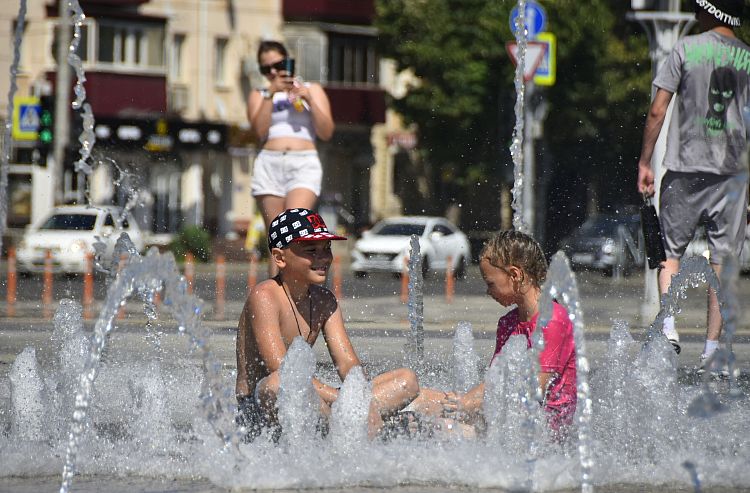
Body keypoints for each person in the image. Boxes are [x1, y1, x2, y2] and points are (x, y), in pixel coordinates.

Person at [235, 208, 419, 440]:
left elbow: (348, 364)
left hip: (309, 399)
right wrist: (349, 402)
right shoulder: (264, 296)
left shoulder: (324, 300)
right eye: (311, 251)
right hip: (259, 409)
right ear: (280, 258)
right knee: (279, 383)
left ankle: (351, 425)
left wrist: (359, 396)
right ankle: (355, 428)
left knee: (407, 380)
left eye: (326, 249)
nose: (323, 258)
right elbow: (282, 370)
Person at [636, 0, 750, 371]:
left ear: (711, 13)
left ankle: (669, 326)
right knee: (722, 262)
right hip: (732, 173)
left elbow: (658, 110)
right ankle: (712, 349)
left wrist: (644, 161)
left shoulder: (685, 49)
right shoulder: (748, 58)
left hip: (685, 170)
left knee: (670, 253)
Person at [412, 231, 577, 438]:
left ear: (515, 275)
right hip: (505, 421)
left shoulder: (553, 320)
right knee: (421, 399)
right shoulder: (508, 323)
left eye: (490, 283)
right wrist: (459, 402)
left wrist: (464, 406)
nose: (488, 291)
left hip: (543, 433)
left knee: (439, 427)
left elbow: (533, 390)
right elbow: (494, 384)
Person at [247, 40, 335, 275]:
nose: (274, 72)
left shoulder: (311, 88)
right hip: (270, 163)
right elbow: (258, 131)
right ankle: (276, 301)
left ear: (288, 60)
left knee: (294, 233)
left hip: (302, 161)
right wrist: (271, 94)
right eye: (266, 69)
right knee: (277, 239)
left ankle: (303, 295)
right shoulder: (260, 94)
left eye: (277, 64)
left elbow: (326, 131)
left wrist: (309, 99)